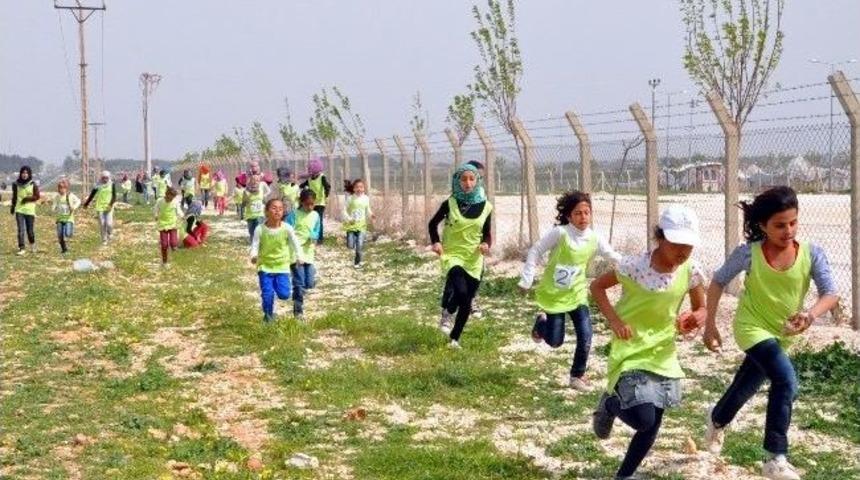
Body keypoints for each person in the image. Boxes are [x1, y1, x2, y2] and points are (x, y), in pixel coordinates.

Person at [702, 186, 838, 480]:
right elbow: (717, 282)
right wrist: (710, 324)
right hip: (751, 327)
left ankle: (716, 418)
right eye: (779, 225)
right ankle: (774, 457)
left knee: (746, 386)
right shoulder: (748, 253)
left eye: (793, 222)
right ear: (762, 225)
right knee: (786, 380)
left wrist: (810, 316)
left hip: (783, 334)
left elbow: (831, 294)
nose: (788, 230)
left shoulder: (812, 253)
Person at [590, 205, 706, 480]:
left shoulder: (690, 270)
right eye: (676, 243)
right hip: (630, 348)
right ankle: (609, 405)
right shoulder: (633, 267)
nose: (682, 251)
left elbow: (701, 307)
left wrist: (695, 318)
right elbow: (596, 287)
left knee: (653, 423)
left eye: (688, 245)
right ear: (660, 238)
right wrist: (615, 322)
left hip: (663, 352)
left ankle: (624, 475)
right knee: (644, 418)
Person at [519, 190, 621, 390]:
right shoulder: (561, 233)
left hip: (577, 294)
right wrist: (527, 278)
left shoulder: (594, 238)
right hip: (554, 296)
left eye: (587, 213)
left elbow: (612, 256)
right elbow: (536, 250)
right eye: (578, 213)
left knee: (586, 335)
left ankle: (577, 376)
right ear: (568, 216)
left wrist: (638, 267)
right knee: (555, 342)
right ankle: (541, 325)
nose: (583, 217)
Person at [428, 163, 493, 349]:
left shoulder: (487, 206)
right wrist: (436, 242)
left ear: (477, 181)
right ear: (457, 181)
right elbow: (432, 224)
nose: (467, 182)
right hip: (453, 256)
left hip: (474, 258)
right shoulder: (450, 203)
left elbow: (487, 233)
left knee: (465, 299)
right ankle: (448, 315)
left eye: (471, 178)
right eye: (463, 179)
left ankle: (454, 338)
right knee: (463, 294)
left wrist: (486, 244)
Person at [250, 198, 303, 323]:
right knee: (267, 295)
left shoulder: (287, 228)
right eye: (274, 208)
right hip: (265, 267)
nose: (277, 211)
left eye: (280, 209)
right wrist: (253, 256)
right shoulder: (260, 229)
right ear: (267, 211)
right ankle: (268, 317)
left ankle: (274, 290)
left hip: (282, 267)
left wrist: (299, 256)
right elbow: (255, 245)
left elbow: (296, 243)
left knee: (284, 294)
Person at [287, 188, 321, 321]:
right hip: (296, 254)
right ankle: (298, 311)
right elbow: (287, 231)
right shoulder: (293, 215)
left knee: (309, 283)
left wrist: (314, 236)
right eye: (307, 204)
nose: (310, 207)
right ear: (301, 202)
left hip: (309, 253)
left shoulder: (316, 215)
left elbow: (317, 230)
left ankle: (304, 286)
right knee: (299, 284)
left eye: (313, 204)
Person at [342, 179, 374, 268]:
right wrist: (349, 219)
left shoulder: (366, 198)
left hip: (362, 226)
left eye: (361, 187)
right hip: (351, 226)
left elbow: (368, 210)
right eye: (357, 187)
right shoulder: (350, 198)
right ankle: (351, 242)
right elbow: (344, 211)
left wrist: (371, 215)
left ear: (364, 188)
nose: (359, 189)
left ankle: (357, 262)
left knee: (359, 245)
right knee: (350, 245)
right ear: (353, 189)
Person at [299, 158, 330, 245]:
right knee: (311, 219)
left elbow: (327, 186)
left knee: (318, 220)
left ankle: (320, 239)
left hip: (320, 203)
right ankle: (311, 236)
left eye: (313, 172)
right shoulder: (309, 179)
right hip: (311, 202)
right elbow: (303, 184)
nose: (312, 174)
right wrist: (298, 186)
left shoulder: (322, 177)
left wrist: (326, 196)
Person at [10, 166, 40, 255]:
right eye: (23, 173)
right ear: (20, 174)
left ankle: (32, 244)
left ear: (29, 174)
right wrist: (12, 206)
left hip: (30, 210)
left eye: (26, 173)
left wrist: (27, 199)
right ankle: (21, 248)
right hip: (19, 210)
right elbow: (14, 197)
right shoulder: (16, 184)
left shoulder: (33, 184)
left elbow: (37, 196)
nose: (24, 175)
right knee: (20, 230)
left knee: (30, 231)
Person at [82, 170, 117, 246]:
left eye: (106, 178)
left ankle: (110, 233)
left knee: (109, 223)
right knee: (102, 223)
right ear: (101, 178)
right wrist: (86, 204)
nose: (105, 180)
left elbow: (114, 196)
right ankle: (104, 240)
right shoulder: (98, 185)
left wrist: (110, 205)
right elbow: (92, 195)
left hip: (109, 206)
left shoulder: (112, 184)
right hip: (100, 206)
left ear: (109, 178)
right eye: (103, 178)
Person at [154, 187, 183, 267]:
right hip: (163, 224)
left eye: (173, 198)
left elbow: (178, 210)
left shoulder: (175, 202)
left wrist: (182, 215)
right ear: (166, 194)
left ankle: (174, 247)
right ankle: (165, 262)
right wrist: (156, 215)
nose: (171, 199)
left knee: (173, 243)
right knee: (164, 245)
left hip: (173, 224)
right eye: (170, 197)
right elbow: (156, 209)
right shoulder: (160, 201)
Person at [52, 179, 81, 255]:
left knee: (68, 234)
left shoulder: (70, 195)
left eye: (63, 188)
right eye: (60, 188)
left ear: (66, 188)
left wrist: (74, 207)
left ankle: (71, 230)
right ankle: (64, 249)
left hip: (68, 218)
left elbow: (78, 201)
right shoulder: (57, 197)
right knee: (60, 235)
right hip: (60, 218)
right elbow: (54, 204)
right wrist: (53, 208)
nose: (61, 190)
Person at [243, 176, 266, 241]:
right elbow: (244, 203)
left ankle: (258, 244)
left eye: (257, 180)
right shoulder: (246, 191)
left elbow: (264, 200)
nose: (255, 182)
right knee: (251, 232)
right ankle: (252, 243)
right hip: (250, 215)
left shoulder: (261, 190)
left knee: (258, 230)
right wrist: (247, 196)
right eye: (254, 180)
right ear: (250, 181)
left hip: (260, 214)